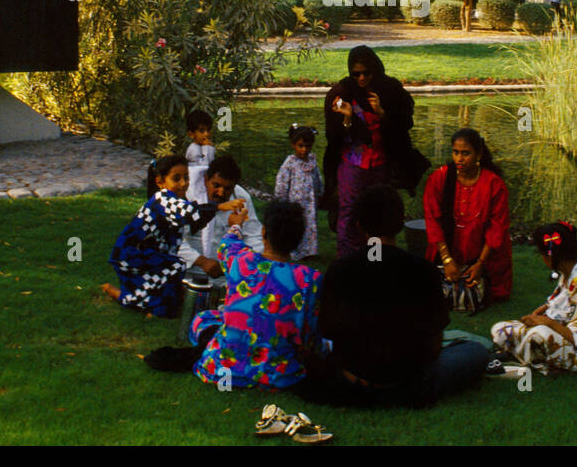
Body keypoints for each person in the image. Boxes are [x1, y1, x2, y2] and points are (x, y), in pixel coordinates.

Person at [302, 185, 490, 407]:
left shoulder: (339, 269)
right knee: (477, 350)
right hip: (409, 384)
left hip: (352, 378)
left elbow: (328, 332)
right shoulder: (423, 270)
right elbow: (434, 344)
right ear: (400, 224)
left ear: (359, 225)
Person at [188, 200, 323, 390]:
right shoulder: (310, 279)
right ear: (298, 239)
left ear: (263, 232)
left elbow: (228, 242)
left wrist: (236, 224)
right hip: (278, 375)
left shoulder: (241, 260)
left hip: (220, 369)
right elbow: (309, 335)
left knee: (203, 319)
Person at [322, 45, 430, 260]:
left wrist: (382, 113)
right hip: (353, 165)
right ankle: (347, 262)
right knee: (349, 213)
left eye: (366, 73)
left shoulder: (390, 89)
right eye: (356, 74)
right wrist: (347, 119)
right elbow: (335, 138)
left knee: (378, 214)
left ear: (375, 69)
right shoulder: (342, 93)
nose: (361, 78)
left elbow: (405, 124)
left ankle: (374, 260)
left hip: (381, 164)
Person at [103, 155, 232, 318]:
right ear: (160, 182)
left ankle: (135, 300)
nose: (183, 183)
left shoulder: (174, 199)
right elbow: (191, 214)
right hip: (132, 253)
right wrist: (220, 206)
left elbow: (192, 219)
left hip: (142, 252)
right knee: (172, 269)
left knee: (170, 273)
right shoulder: (163, 199)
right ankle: (153, 310)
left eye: (186, 178)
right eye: (176, 179)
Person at [490, 221, 577, 377]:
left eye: (542, 254)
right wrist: (545, 309)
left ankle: (527, 360)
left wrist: (548, 323)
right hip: (561, 332)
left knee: (538, 335)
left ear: (551, 256)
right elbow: (562, 304)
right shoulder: (568, 274)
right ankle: (526, 356)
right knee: (501, 330)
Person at [422, 127, 512, 309]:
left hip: (484, 252)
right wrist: (447, 260)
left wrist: (480, 264)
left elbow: (496, 229)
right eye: (455, 152)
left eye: (465, 153)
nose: (459, 159)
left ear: (478, 154)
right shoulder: (439, 179)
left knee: (492, 292)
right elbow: (433, 221)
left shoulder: (494, 184)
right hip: (446, 248)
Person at [180, 154, 263, 278]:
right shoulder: (188, 194)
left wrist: (242, 265)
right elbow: (171, 238)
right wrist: (201, 261)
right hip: (188, 270)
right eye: (216, 185)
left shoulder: (241, 198)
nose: (221, 193)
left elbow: (254, 236)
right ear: (206, 179)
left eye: (228, 188)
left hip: (226, 273)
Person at [275, 123, 322, 261]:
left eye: (308, 146)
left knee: (310, 224)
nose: (304, 150)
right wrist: (281, 199)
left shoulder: (312, 162)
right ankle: (295, 252)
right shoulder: (290, 163)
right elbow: (282, 182)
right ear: (293, 145)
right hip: (295, 203)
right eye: (301, 146)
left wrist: (319, 192)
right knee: (296, 226)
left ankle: (309, 251)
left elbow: (317, 178)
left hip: (310, 202)